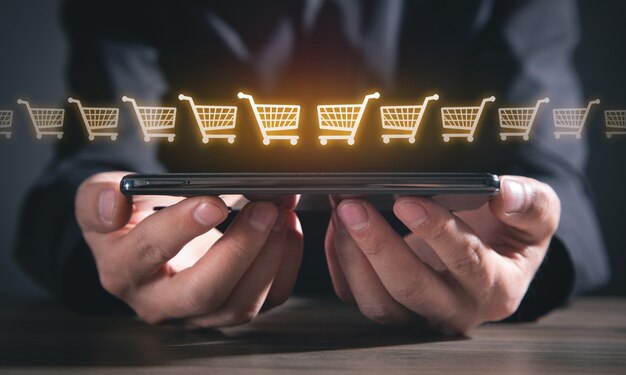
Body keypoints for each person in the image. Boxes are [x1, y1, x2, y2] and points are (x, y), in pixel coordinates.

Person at [16, 0, 609, 333]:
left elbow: (546, 173)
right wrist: (108, 240)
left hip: (446, 267)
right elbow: (97, 160)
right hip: (192, 282)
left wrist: (522, 260)